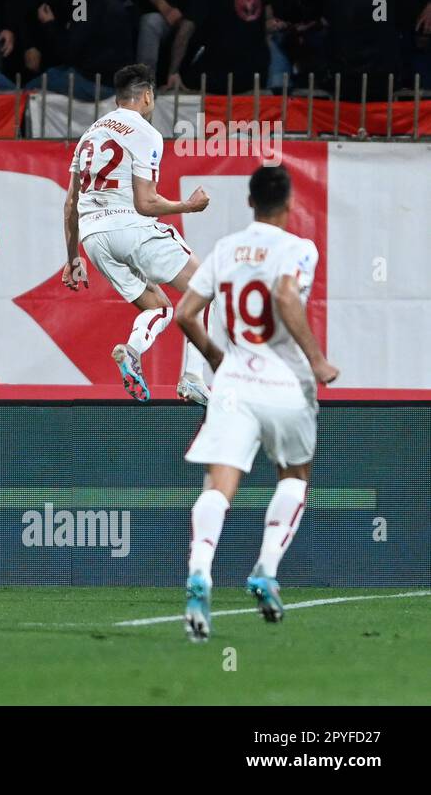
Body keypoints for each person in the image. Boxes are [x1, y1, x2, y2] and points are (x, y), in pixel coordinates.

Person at [174, 164, 340, 642]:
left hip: (234, 386)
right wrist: (318, 359)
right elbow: (286, 295)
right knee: (294, 476)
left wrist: (217, 360)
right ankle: (265, 569)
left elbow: (186, 313)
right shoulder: (298, 248)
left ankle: (199, 574)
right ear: (290, 205)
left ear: (249, 202)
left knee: (218, 486)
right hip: (286, 384)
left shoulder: (225, 249)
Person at [61, 63, 212, 406]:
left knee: (159, 307)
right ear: (146, 95)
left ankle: (131, 350)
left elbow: (70, 204)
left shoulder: (89, 135)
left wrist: (73, 258)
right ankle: (193, 377)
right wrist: (188, 206)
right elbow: (145, 202)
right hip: (129, 228)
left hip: (94, 239)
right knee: (208, 286)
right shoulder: (145, 133)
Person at [33, 0, 135, 99]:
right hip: (115, 82)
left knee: (30, 89)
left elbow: (69, 50)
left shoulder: (81, 2)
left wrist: (49, 24)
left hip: (97, 83)